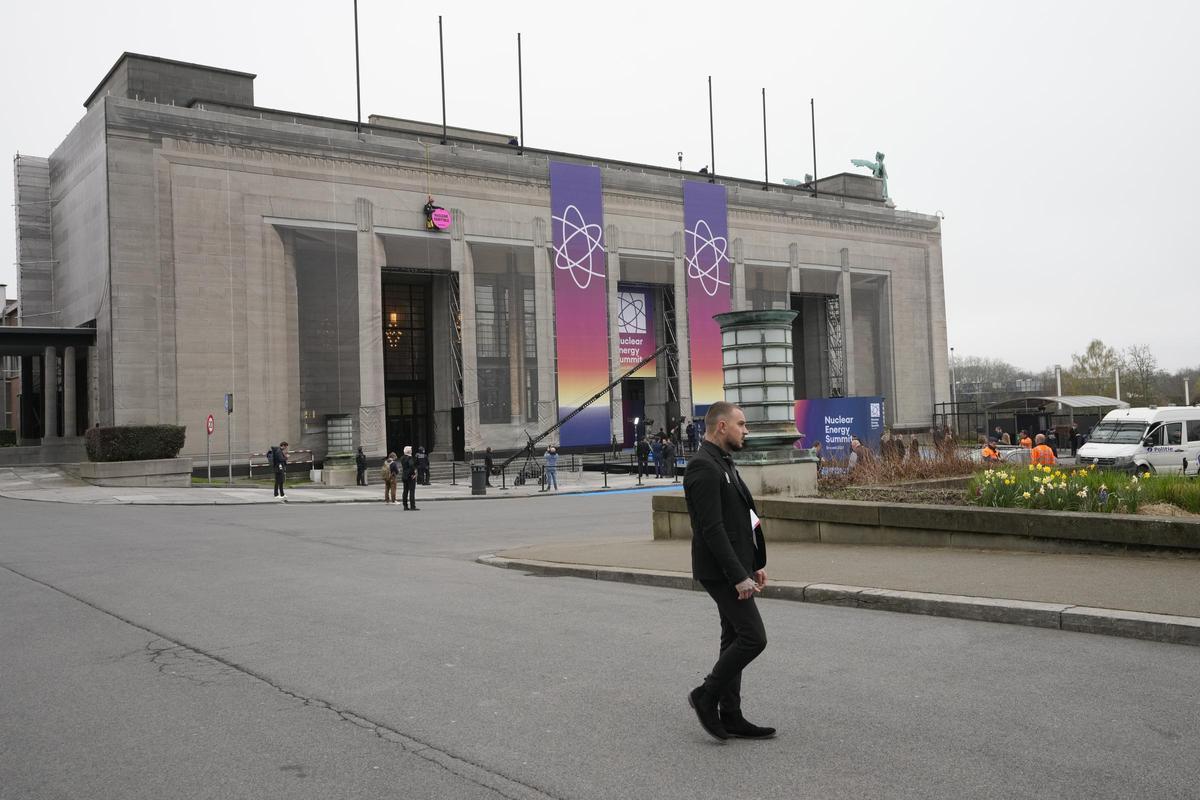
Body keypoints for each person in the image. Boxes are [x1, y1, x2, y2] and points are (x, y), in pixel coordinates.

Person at [683, 401, 774, 742]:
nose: (746, 430)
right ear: (721, 427)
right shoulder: (702, 467)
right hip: (719, 570)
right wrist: (738, 575)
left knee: (734, 636)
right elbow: (713, 529)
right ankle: (705, 695)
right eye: (741, 424)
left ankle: (731, 714)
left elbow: (744, 518)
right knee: (753, 637)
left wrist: (755, 564)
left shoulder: (723, 462)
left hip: (736, 565)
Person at [401, 445, 419, 510]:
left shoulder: (402, 458)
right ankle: (412, 506)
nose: (411, 451)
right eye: (411, 450)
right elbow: (411, 466)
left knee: (405, 491)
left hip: (404, 475)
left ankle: (405, 506)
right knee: (412, 491)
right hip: (410, 476)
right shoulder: (410, 458)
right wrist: (413, 473)